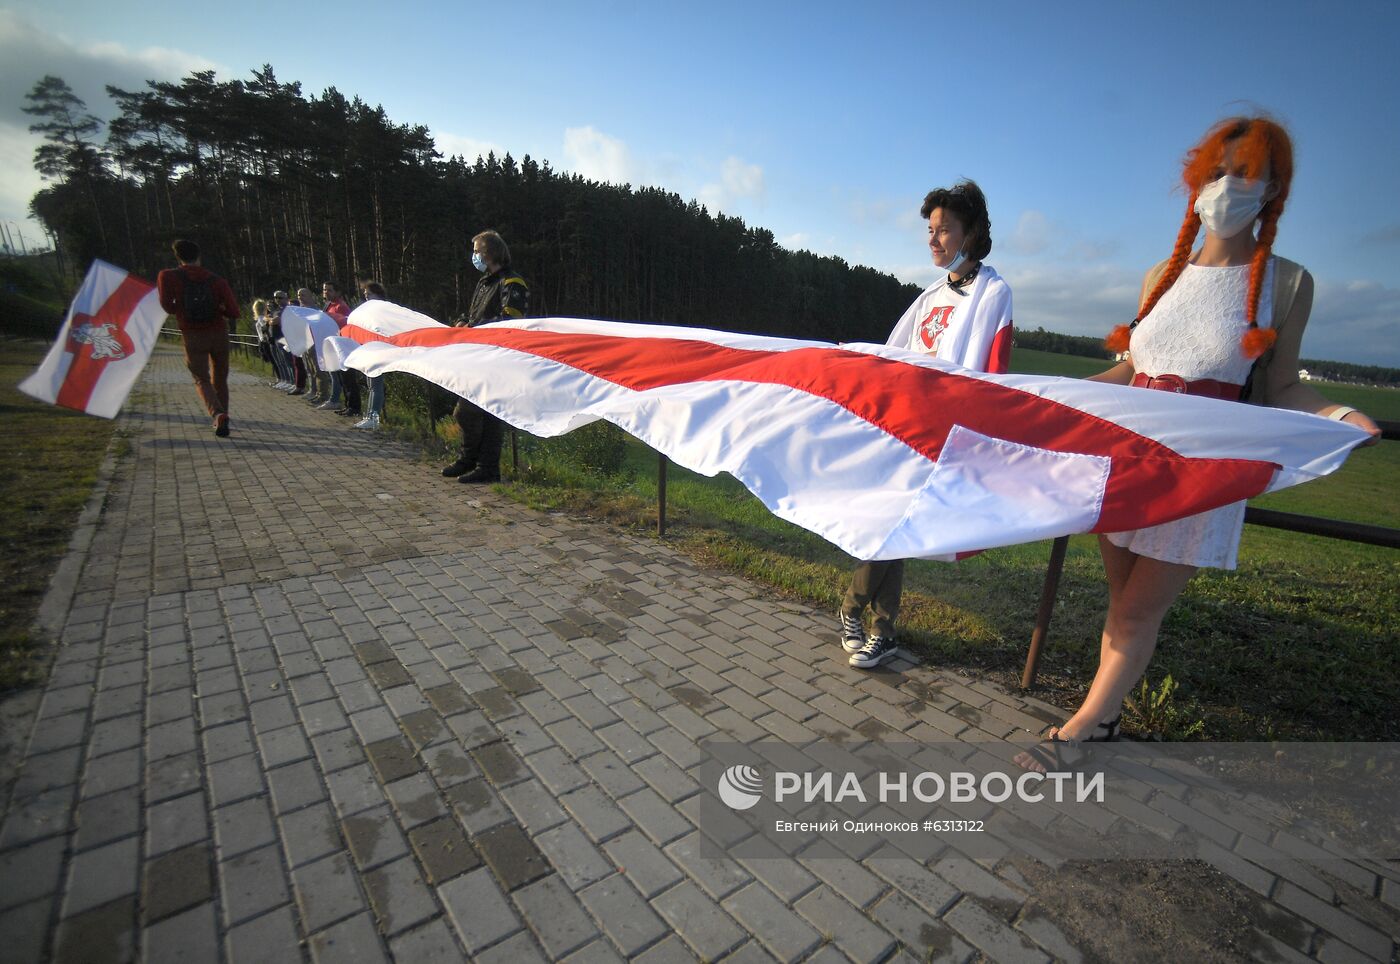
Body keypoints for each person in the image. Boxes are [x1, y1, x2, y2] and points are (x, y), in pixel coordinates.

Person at [1017, 116, 1381, 771]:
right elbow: (1129, 369)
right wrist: (1045, 394)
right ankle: (1108, 716)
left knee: (1136, 612)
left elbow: (1282, 387)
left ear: (1272, 190)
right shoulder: (1162, 272)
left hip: (1200, 471)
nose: (1226, 186)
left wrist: (1343, 412)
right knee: (1121, 602)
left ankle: (1078, 732)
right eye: (1217, 171)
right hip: (1128, 456)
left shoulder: (1288, 284)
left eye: (1244, 174)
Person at [839, 182, 1014, 669]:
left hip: (948, 429)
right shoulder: (930, 295)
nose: (933, 240)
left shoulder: (993, 293)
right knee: (893, 523)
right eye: (930, 231)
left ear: (972, 233)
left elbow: (994, 368)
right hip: (908, 426)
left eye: (944, 231)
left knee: (900, 525)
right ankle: (878, 627)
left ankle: (859, 613)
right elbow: (895, 354)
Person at [440, 230, 530, 483]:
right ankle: (469, 460)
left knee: (487, 414)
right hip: (477, 355)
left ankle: (488, 468)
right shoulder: (484, 282)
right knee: (466, 411)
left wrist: (476, 328)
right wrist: (462, 322)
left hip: (498, 358)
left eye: (477, 251)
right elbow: (475, 315)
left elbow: (511, 321)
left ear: (490, 252)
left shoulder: (512, 282)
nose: (475, 256)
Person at [156, 239, 240, 437]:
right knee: (220, 377)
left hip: (192, 334)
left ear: (178, 257)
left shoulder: (168, 276)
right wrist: (219, 309)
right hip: (218, 332)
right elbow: (234, 311)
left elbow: (167, 305)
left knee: (201, 378)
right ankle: (224, 416)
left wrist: (181, 309)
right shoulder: (216, 280)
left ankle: (218, 414)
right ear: (199, 256)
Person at [321, 281, 360, 417]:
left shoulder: (341, 306)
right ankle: (348, 404)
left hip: (343, 344)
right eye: (325, 290)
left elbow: (346, 323)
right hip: (335, 344)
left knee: (348, 376)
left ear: (337, 292)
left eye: (330, 290)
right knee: (343, 377)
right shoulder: (328, 305)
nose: (326, 292)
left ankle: (354, 407)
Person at [353, 281, 388, 430]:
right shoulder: (367, 309)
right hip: (368, 348)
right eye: (365, 295)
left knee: (375, 384)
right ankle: (369, 416)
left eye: (369, 295)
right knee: (370, 385)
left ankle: (374, 417)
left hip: (378, 349)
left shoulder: (383, 309)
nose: (366, 298)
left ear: (378, 294)